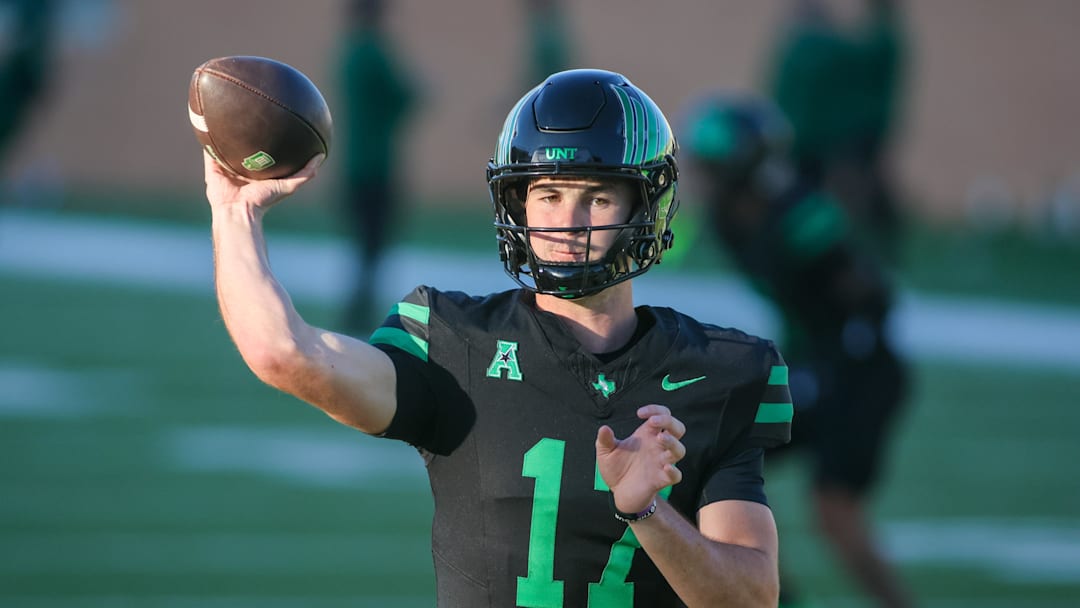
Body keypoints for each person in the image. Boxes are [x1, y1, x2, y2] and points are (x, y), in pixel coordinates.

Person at [203, 68, 793, 607]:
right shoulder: (453, 343)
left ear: (645, 208)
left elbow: (750, 600)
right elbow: (285, 353)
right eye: (548, 195)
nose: (568, 223)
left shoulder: (720, 368)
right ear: (517, 203)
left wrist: (648, 511)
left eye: (598, 197)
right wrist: (234, 215)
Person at [679, 91, 913, 608]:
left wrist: (832, 359)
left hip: (859, 371)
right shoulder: (730, 218)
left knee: (834, 511)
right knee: (711, 461)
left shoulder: (798, 214)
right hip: (816, 364)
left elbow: (871, 295)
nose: (703, 179)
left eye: (712, 167)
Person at [764, 0, 908, 264]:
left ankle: (845, 257)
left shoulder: (813, 50)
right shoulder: (821, 50)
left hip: (826, 145)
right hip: (822, 145)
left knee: (839, 205)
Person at [335, 0, 419, 335]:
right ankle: (358, 317)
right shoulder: (374, 53)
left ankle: (356, 315)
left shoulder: (349, 52)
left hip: (354, 165)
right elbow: (402, 97)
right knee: (372, 249)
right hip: (377, 166)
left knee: (363, 249)